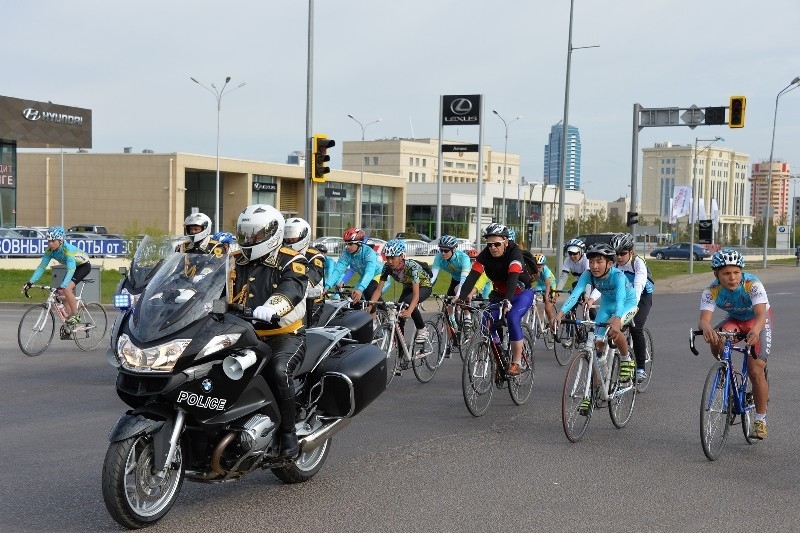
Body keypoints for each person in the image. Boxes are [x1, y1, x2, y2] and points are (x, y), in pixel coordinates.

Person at [229, 204, 308, 458]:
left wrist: (273, 306)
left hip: (282, 335)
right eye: (245, 233)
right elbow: (209, 282)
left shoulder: (292, 260)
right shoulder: (234, 260)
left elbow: (292, 288)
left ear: (273, 233)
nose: (249, 239)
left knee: (278, 370)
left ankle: (288, 433)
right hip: (241, 333)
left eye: (255, 233)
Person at [697, 249, 771, 439]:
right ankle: (725, 369)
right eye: (726, 273)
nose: (732, 277)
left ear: (741, 272)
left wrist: (756, 330)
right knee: (716, 336)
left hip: (758, 322)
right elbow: (704, 320)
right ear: (716, 274)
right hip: (736, 320)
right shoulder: (712, 290)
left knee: (755, 371)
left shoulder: (752, 284)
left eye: (736, 272)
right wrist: (707, 328)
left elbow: (761, 316)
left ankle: (760, 420)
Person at [555, 242, 638, 397]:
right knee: (597, 339)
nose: (594, 266)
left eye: (599, 262)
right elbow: (575, 294)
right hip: (607, 305)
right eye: (591, 261)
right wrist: (560, 313)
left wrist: (617, 319)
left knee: (613, 330)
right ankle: (602, 372)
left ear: (610, 263)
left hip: (627, 303)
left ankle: (626, 359)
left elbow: (620, 299)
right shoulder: (588, 275)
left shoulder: (618, 276)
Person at [457, 223, 534, 376]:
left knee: (512, 318)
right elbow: (472, 277)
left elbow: (513, 279)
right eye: (489, 244)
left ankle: (516, 362)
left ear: (506, 242)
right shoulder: (485, 255)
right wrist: (461, 297)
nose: (493, 248)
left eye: (497, 244)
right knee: (486, 323)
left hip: (520, 294)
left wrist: (507, 301)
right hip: (499, 294)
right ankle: (499, 356)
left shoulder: (514, 254)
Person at [373, 239, 433, 355]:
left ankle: (422, 329)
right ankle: (402, 356)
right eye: (387, 257)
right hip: (408, 288)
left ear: (401, 256)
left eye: (393, 258)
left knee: (408, 302)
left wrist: (409, 311)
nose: (389, 261)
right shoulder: (387, 267)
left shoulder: (411, 267)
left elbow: (416, 295)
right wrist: (371, 305)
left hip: (424, 286)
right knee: (398, 320)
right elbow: (378, 289)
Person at [22, 226, 91, 325]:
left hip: (83, 266)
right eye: (48, 241)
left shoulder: (68, 250)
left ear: (60, 240)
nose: (50, 243)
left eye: (53, 241)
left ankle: (76, 316)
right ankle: (70, 321)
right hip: (73, 268)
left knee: (66, 289)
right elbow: (42, 267)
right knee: (61, 293)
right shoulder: (49, 251)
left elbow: (71, 270)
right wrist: (30, 282)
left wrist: (63, 286)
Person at [611, 232, 655, 384]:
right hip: (624, 295)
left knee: (636, 327)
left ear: (631, 252)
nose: (619, 257)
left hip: (642, 296)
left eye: (622, 253)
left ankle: (641, 368)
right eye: (616, 254)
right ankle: (625, 356)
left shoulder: (638, 263)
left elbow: (638, 287)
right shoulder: (614, 264)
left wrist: (630, 310)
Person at [324, 228, 384, 308]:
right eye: (346, 244)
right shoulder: (347, 253)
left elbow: (369, 272)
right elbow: (338, 270)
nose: (347, 247)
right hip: (365, 276)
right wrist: (327, 286)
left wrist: (360, 289)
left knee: (369, 291)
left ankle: (382, 313)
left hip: (379, 275)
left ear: (359, 243)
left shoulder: (369, 252)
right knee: (353, 298)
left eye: (350, 244)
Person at [430, 235, 472, 328]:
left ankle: (467, 316)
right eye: (441, 250)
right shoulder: (439, 257)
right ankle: (452, 321)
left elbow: (464, 278)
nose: (443, 253)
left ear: (454, 249)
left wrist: (458, 295)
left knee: (458, 291)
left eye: (446, 251)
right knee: (448, 300)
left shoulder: (463, 258)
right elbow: (432, 277)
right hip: (455, 279)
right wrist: (426, 290)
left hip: (468, 278)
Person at [531, 252, 559, 339]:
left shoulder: (546, 271)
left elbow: (547, 285)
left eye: (539, 267)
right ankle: (537, 316)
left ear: (543, 265)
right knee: (532, 295)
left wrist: (546, 296)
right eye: (536, 267)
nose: (537, 269)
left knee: (547, 307)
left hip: (550, 285)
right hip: (540, 286)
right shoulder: (532, 269)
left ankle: (554, 327)